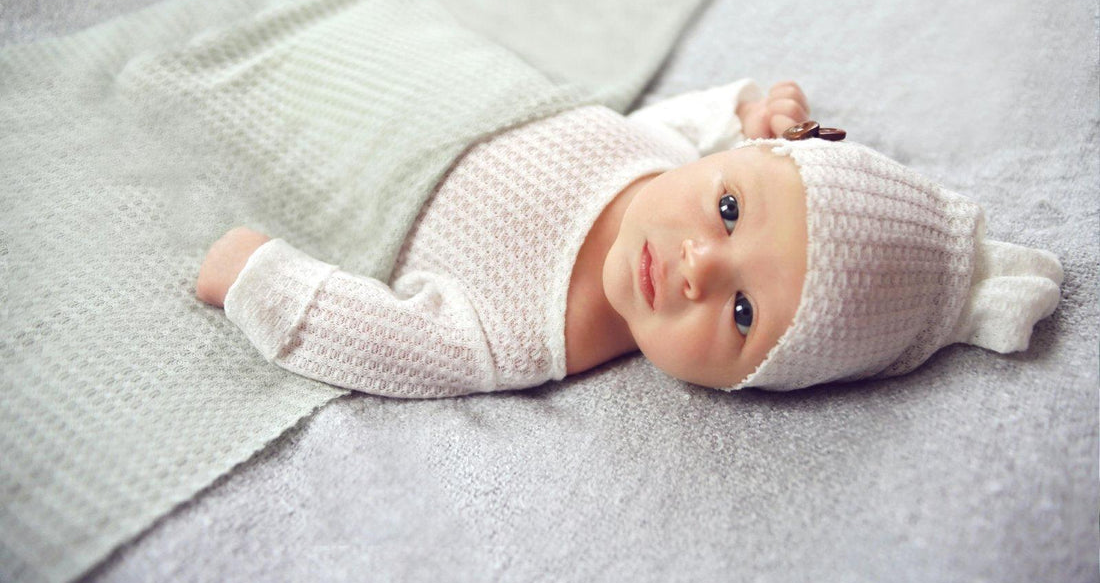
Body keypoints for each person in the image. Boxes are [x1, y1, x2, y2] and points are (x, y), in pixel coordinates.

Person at [195, 80, 1063, 396]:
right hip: (436, 74)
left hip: (342, 145)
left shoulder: (520, 335)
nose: (699, 265)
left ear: (748, 382)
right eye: (729, 211)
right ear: (736, 158)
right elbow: (706, 115)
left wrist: (260, 281)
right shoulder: (666, 151)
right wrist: (752, 105)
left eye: (744, 310)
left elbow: (384, 340)